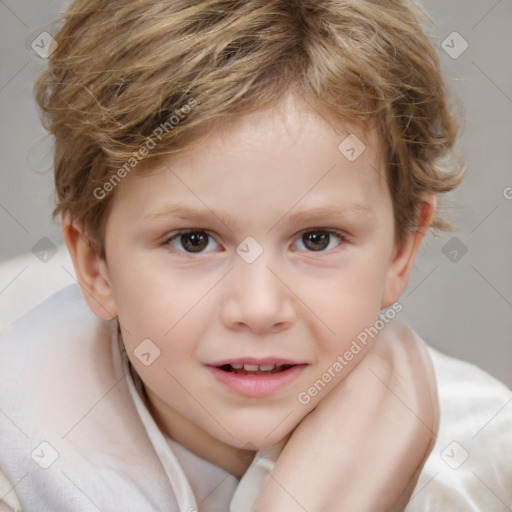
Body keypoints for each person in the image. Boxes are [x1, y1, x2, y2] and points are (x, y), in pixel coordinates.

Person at [1, 0, 511, 510]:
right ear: (95, 265)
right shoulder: (20, 466)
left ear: (402, 248)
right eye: (194, 241)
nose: (260, 308)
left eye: (317, 239)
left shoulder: (486, 464)